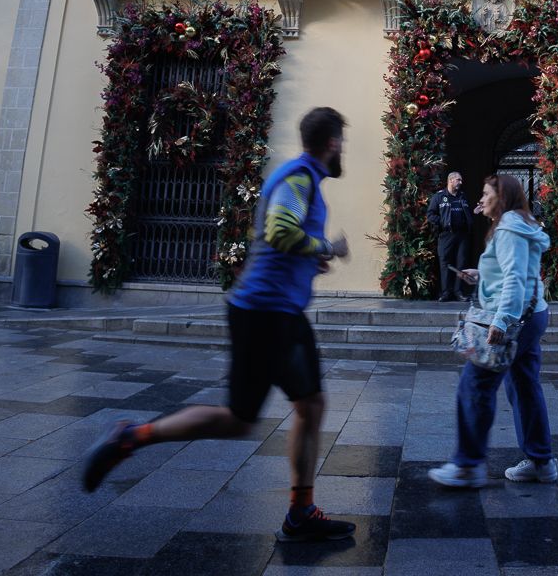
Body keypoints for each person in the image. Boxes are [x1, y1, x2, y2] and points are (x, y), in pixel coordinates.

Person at [80, 107, 356, 543]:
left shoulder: (299, 178)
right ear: (333, 142)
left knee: (286, 410)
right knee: (265, 415)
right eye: (343, 140)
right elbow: (280, 232)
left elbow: (279, 242)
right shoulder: (300, 177)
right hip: (269, 313)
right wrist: (327, 245)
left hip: (272, 310)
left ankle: (300, 510)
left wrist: (307, 260)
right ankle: (132, 437)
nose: (344, 148)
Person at [429, 173, 556, 488]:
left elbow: (515, 278)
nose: (480, 200)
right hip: (532, 314)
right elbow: (514, 271)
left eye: (486, 194)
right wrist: (480, 275)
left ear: (502, 197)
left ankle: (467, 466)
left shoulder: (510, 228)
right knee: (524, 387)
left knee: (475, 385)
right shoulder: (514, 224)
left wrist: (502, 320)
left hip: (517, 318)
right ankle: (541, 461)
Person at [427, 171, 474, 302]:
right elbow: (430, 215)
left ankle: (459, 292)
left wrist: (472, 216)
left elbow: (467, 213)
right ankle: (446, 292)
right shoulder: (439, 197)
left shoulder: (463, 196)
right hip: (446, 234)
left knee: (461, 263)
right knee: (445, 262)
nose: (460, 182)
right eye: (458, 180)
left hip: (462, 235)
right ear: (451, 180)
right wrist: (442, 222)